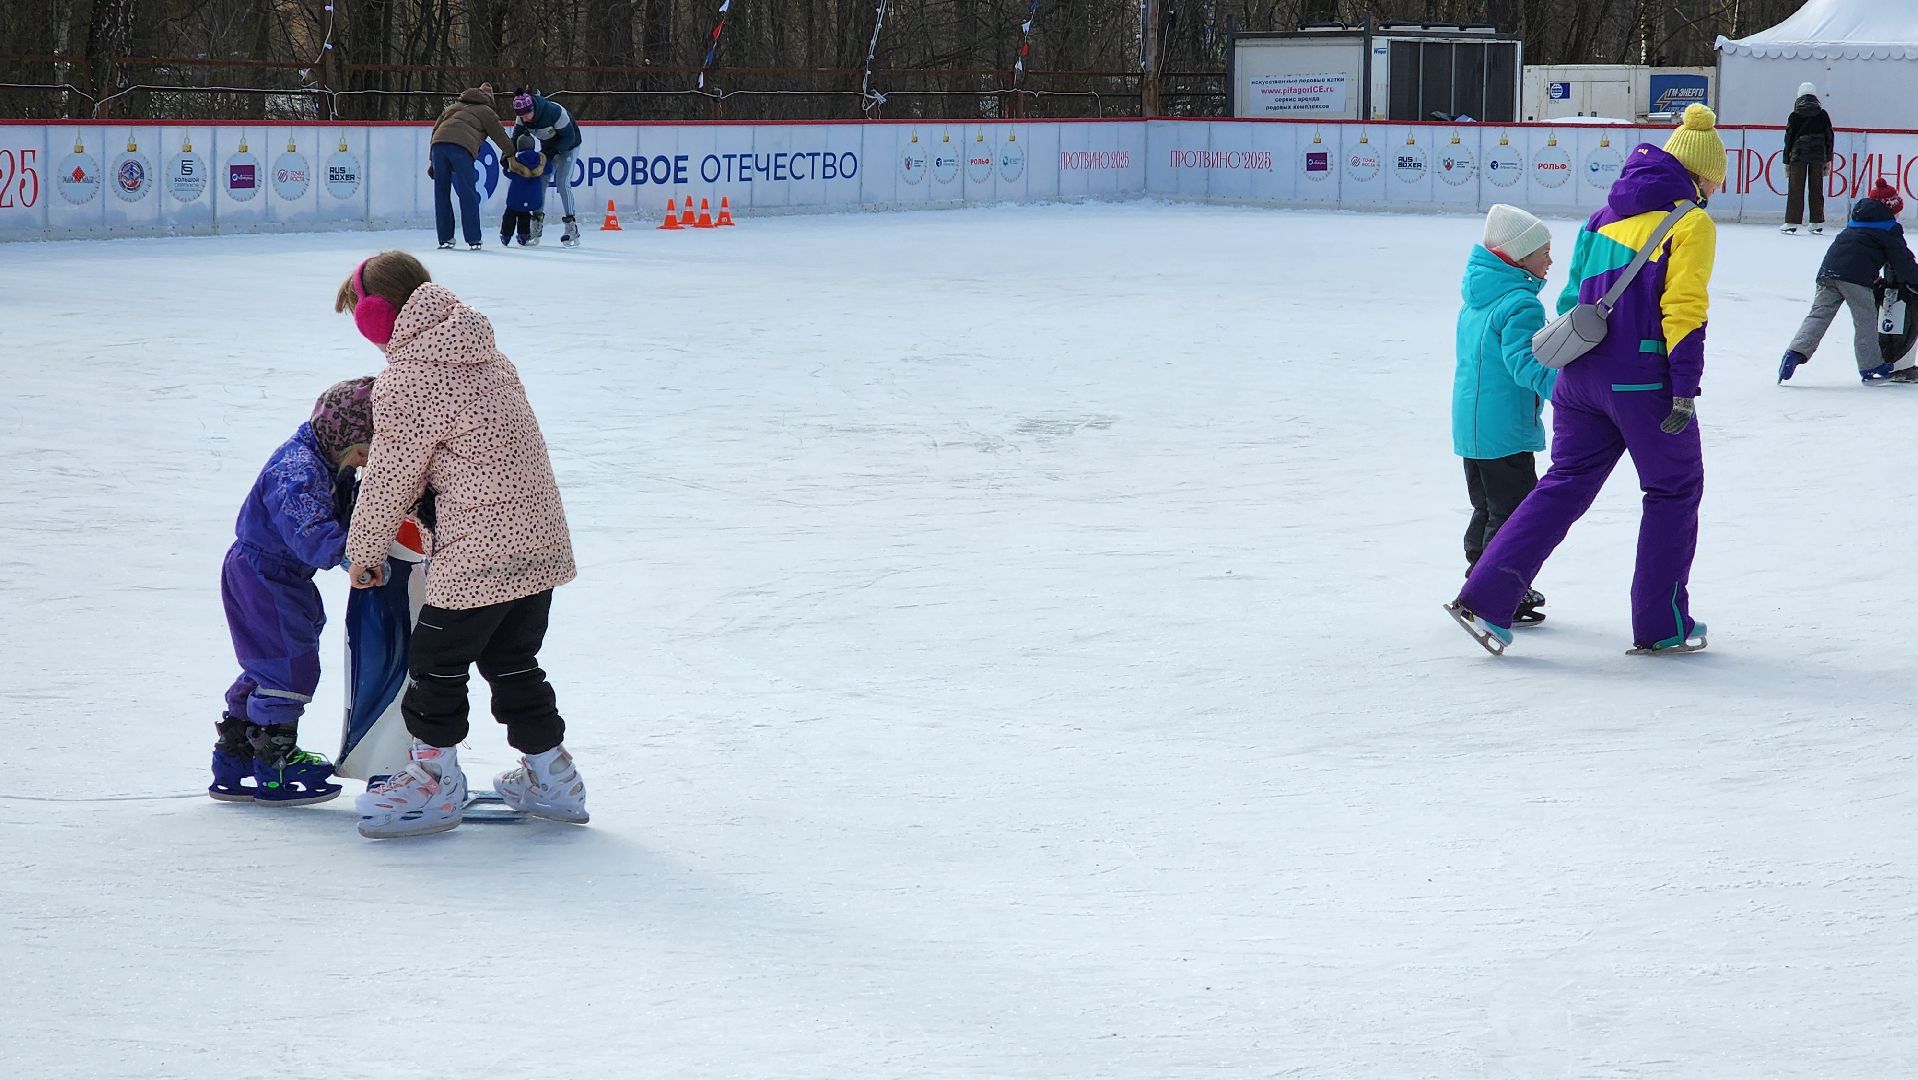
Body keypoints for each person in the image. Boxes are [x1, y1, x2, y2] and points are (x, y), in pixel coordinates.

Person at [1447, 103, 1724, 656]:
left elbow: (1574, 301)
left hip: (1581, 379)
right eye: (1715, 181)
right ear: (1699, 176)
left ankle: (1486, 600)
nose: (1716, 191)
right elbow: (1684, 309)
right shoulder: (1691, 222)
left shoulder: (1602, 218)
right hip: (1644, 382)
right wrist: (1685, 387)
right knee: (1673, 489)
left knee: (1563, 484)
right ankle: (1661, 623)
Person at [333, 250, 586, 839]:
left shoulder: (408, 378)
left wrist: (364, 552)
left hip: (480, 551)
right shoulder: (487, 353)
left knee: (435, 664)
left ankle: (433, 781)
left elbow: (393, 477)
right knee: (512, 660)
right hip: (540, 545)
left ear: (377, 318)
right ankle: (553, 775)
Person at [210, 377, 375, 806]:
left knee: (267, 661)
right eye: (362, 453)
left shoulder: (321, 455)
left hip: (266, 572)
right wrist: (348, 557)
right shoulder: (298, 471)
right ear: (345, 439)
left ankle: (236, 752)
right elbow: (307, 525)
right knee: (289, 666)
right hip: (266, 576)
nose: (363, 463)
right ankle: (274, 759)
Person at [1454, 204, 1559, 624]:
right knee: (1515, 513)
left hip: (1471, 428)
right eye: (1543, 252)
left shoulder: (1477, 298)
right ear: (1518, 258)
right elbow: (1526, 365)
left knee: (1488, 507)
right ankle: (1496, 590)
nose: (1551, 261)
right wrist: (1569, 392)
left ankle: (1479, 577)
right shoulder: (1520, 304)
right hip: (1504, 431)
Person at [1779, 179, 1918, 385]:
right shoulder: (1888, 228)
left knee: (1819, 315)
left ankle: (1795, 352)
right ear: (1890, 208)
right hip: (1854, 279)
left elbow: (1857, 252)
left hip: (1828, 271)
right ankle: (1870, 366)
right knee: (1866, 319)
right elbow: (1903, 261)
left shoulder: (1857, 220)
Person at [427, 82, 516, 251]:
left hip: (439, 145)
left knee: (441, 193)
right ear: (489, 99)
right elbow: (500, 136)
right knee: (468, 193)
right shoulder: (486, 111)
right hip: (461, 148)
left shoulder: (452, 107)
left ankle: (445, 238)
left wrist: (432, 161)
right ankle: (473, 238)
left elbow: (435, 130)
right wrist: (511, 153)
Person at [510, 89, 584, 246]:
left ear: (533, 110)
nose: (524, 119)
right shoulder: (522, 117)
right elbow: (515, 139)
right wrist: (508, 156)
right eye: (521, 116)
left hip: (569, 144)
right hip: (549, 147)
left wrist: (552, 152)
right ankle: (536, 225)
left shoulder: (554, 112)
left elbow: (569, 137)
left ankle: (571, 227)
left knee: (562, 182)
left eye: (526, 115)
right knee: (540, 180)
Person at [1782, 82, 1834, 235]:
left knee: (1796, 188)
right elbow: (1829, 137)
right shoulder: (1822, 114)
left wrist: (1786, 160)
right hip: (1818, 155)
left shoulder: (1795, 114)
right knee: (1816, 188)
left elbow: (1789, 138)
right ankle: (1816, 222)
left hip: (1798, 155)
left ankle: (1791, 222)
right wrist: (1828, 158)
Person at [501, 133, 547, 247]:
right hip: (531, 198)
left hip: (515, 197)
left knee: (509, 216)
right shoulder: (540, 160)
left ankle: (506, 235)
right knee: (524, 216)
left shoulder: (517, 161)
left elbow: (507, 172)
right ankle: (524, 235)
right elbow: (549, 168)